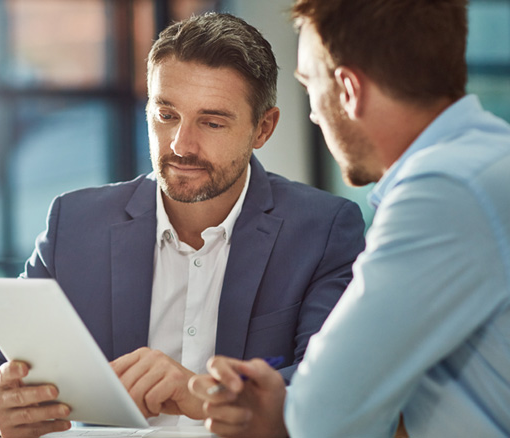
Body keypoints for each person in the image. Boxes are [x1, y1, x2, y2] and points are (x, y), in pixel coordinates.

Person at [0, 12, 365, 438]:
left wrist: (202, 393)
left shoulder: (323, 229)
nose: (181, 145)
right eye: (166, 115)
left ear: (263, 129)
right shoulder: (76, 224)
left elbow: (333, 387)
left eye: (212, 122)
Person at [189, 1, 510, 437]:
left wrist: (281, 410)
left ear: (348, 89)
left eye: (309, 86)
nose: (313, 113)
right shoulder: (489, 159)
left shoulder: (442, 189)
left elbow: (323, 416)